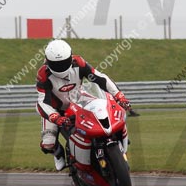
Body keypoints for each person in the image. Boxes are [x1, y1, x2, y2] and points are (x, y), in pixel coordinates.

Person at [36, 39, 130, 170]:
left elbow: (100, 78)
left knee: (105, 112)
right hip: (56, 109)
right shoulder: (44, 74)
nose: (60, 67)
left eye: (63, 62)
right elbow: (42, 101)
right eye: (56, 64)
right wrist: (54, 117)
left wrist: (118, 95)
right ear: (47, 61)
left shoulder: (79, 63)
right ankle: (58, 154)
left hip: (79, 99)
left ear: (70, 57)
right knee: (48, 143)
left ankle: (118, 140)